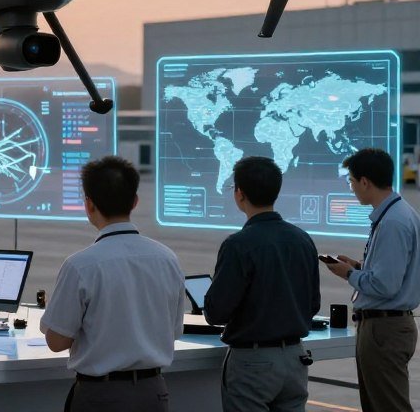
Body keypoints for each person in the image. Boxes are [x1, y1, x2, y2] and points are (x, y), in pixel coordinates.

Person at [40, 156, 186, 412]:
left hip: (100, 396)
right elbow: (173, 331)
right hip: (154, 393)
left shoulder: (81, 265)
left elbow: (56, 342)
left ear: (89, 204)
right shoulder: (167, 258)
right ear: (135, 201)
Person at [204, 156, 320, 412]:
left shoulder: (238, 244)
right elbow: (312, 304)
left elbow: (216, 312)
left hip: (252, 362)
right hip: (295, 358)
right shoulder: (302, 239)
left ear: (239, 194)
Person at [323, 148, 420, 412]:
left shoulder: (393, 222)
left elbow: (386, 285)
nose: (352, 188)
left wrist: (349, 274)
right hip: (385, 326)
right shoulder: (397, 214)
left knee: (388, 406)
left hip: (383, 330)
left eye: (352, 182)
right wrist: (358, 267)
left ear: (365, 181)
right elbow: (392, 272)